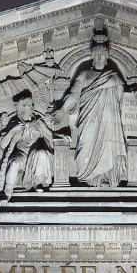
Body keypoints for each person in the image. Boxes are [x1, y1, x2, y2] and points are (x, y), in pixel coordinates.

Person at [54, 26, 128, 186]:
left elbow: (124, 100)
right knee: (85, 146)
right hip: (88, 120)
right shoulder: (84, 75)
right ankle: (87, 176)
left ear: (107, 56)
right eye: (97, 54)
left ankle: (106, 177)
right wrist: (62, 110)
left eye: (102, 54)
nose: (100, 57)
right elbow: (73, 95)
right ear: (93, 56)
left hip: (109, 122)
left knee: (108, 148)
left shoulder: (114, 77)